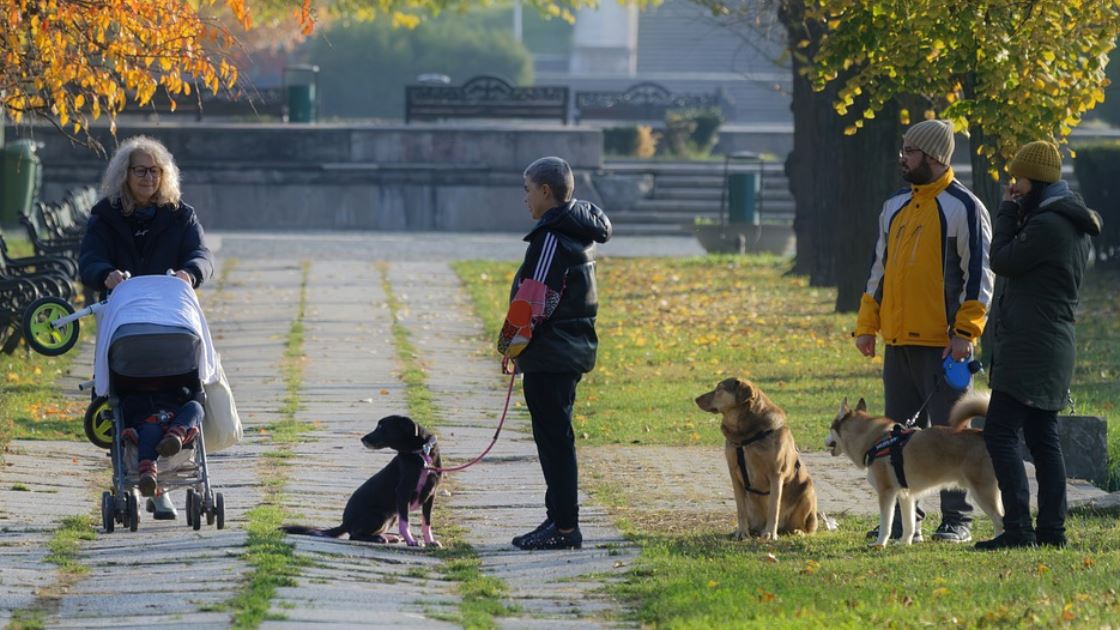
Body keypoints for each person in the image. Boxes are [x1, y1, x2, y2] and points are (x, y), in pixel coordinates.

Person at [854, 119, 995, 543]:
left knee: (953, 438)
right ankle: (899, 524)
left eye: (910, 152)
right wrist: (867, 325)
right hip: (898, 343)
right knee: (896, 438)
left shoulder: (965, 207)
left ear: (934, 157)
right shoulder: (894, 205)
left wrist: (965, 332)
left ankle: (958, 521)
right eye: (903, 150)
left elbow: (979, 275)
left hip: (945, 346)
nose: (903, 158)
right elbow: (879, 270)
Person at [78, 135, 214, 519]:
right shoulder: (106, 216)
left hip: (170, 322)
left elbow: (202, 254)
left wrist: (190, 273)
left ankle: (160, 488)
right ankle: (140, 485)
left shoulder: (180, 214)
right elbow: (89, 258)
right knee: (124, 403)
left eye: (155, 171)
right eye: (140, 171)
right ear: (125, 174)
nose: (148, 178)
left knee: (182, 397)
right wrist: (105, 275)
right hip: (125, 324)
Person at [975, 141, 1102, 550]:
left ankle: (1018, 529)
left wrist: (1008, 211)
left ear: (1035, 181)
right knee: (1042, 436)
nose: (1013, 185)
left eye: (1019, 179)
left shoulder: (1050, 226)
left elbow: (1003, 259)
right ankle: (1051, 530)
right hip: (1047, 344)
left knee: (999, 432)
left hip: (1033, 345)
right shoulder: (1061, 219)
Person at [498, 156, 611, 550]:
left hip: (552, 354)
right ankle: (557, 520)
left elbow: (533, 300)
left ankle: (564, 527)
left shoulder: (550, 238)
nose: (525, 198)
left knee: (555, 442)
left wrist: (510, 344)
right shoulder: (576, 231)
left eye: (527, 190)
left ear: (546, 191)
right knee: (556, 438)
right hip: (566, 350)